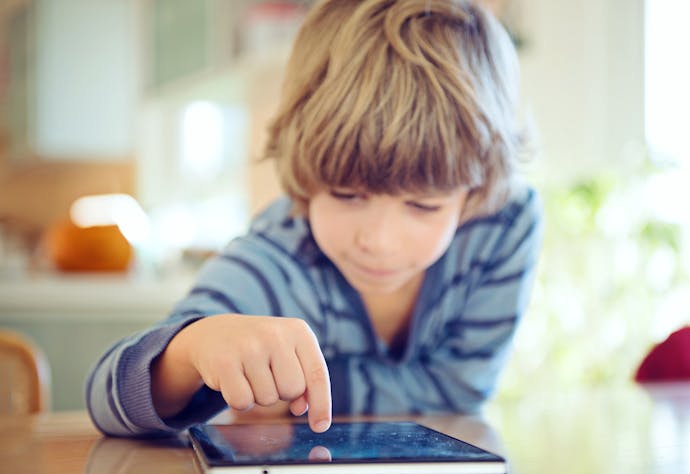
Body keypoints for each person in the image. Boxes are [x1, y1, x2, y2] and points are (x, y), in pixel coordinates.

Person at [86, 0, 543, 437]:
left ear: (474, 194)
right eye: (347, 195)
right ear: (306, 178)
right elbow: (106, 396)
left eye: (424, 206)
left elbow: (460, 392)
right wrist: (190, 350)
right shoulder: (281, 253)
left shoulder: (504, 227)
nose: (379, 241)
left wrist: (304, 391)